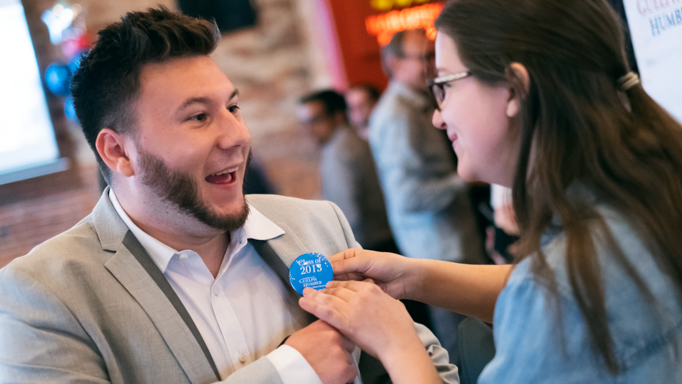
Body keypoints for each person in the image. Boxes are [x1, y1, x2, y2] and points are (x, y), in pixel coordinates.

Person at [0, 8, 459, 384]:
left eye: (233, 108)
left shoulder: (318, 224)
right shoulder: (41, 294)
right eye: (198, 117)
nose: (237, 135)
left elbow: (426, 367)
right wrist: (290, 371)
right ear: (118, 151)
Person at [298, 0, 682, 382]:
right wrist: (415, 278)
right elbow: (539, 287)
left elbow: (549, 295)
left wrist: (395, 342)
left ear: (514, 88)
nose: (438, 114)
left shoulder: (569, 281)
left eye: (446, 85)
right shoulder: (648, 197)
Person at [368, 27, 487, 364]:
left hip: (454, 244)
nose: (430, 64)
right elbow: (409, 196)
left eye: (431, 55)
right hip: (440, 253)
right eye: (422, 57)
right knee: (466, 352)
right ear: (393, 63)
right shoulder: (396, 116)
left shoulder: (418, 104)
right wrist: (466, 178)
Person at [297, 89, 396, 253]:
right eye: (304, 123)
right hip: (382, 239)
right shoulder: (353, 141)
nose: (309, 130)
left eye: (314, 121)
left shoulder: (339, 151)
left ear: (338, 116)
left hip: (369, 246)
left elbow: (345, 213)